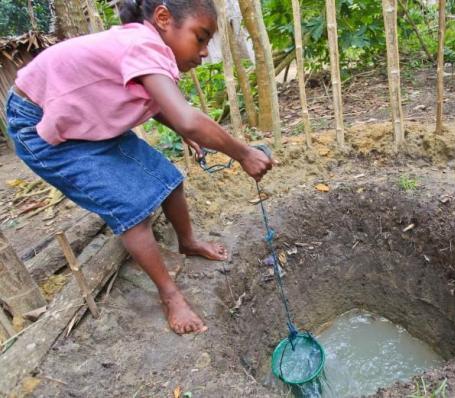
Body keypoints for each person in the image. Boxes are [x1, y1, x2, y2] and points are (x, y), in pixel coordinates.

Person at [4, 0, 273, 334]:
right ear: (163, 18)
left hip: (83, 118)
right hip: (42, 125)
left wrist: (180, 127)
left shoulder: (146, 46)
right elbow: (187, 118)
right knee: (131, 210)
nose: (204, 52)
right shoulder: (143, 45)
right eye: (201, 37)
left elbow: (160, 105)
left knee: (167, 177)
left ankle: (187, 242)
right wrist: (243, 153)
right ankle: (170, 295)